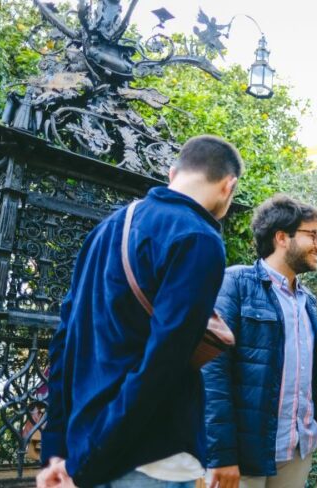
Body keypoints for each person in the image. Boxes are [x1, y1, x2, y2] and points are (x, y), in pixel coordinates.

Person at [38, 135, 243, 488]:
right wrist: (86, 464)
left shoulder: (106, 230)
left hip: (83, 449)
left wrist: (58, 452)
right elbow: (161, 364)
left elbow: (64, 342)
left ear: (171, 172)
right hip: (148, 457)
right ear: (229, 185)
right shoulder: (199, 237)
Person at [203, 195, 317, 488]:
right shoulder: (236, 283)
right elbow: (212, 372)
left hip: (297, 449)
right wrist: (222, 454)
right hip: (245, 454)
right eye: (313, 235)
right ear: (281, 237)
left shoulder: (308, 301)